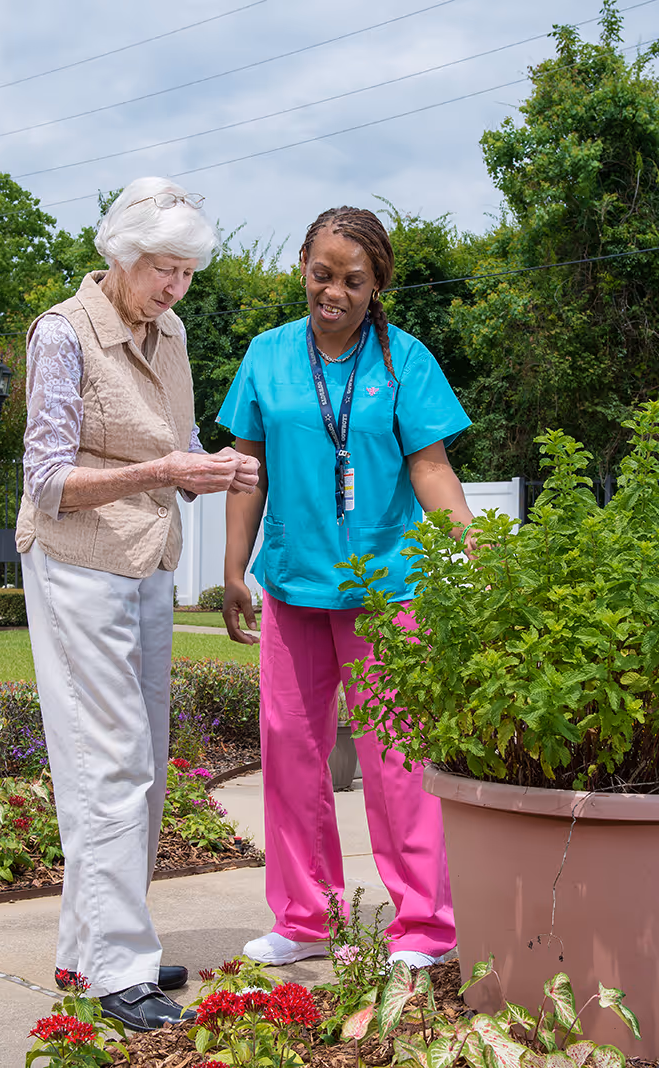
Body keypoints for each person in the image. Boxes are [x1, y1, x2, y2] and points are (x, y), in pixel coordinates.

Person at [16, 176, 260, 1032]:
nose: (175, 287)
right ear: (120, 257)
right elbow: (46, 482)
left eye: (188, 272)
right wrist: (166, 472)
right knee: (107, 761)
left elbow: (173, 438)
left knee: (139, 762)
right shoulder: (62, 334)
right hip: (78, 563)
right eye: (164, 268)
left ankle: (90, 948)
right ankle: (118, 969)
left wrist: (216, 463)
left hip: (147, 563)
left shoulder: (173, 332)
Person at [217, 206, 474, 970]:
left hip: (387, 590)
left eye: (352, 281)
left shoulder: (404, 361)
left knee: (397, 760)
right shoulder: (266, 356)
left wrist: (477, 549)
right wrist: (233, 570)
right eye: (321, 274)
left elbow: (430, 467)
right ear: (302, 264)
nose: (333, 291)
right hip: (294, 586)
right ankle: (305, 916)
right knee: (292, 755)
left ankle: (426, 925)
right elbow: (246, 467)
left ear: (376, 285)